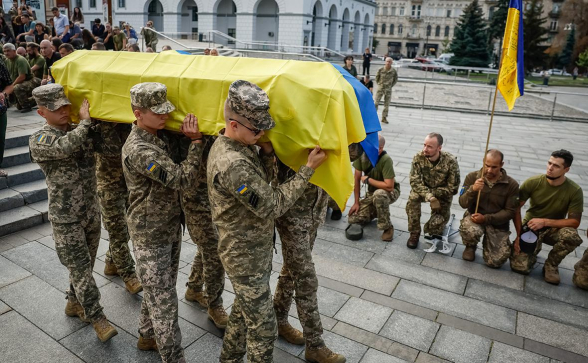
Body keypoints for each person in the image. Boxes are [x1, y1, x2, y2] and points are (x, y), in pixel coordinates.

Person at [207, 80, 326, 363]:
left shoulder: (239, 146)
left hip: (252, 251)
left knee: (240, 313)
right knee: (263, 330)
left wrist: (269, 155)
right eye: (256, 128)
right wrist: (307, 170)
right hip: (243, 256)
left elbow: (262, 181)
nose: (262, 133)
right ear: (233, 124)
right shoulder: (233, 163)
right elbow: (273, 205)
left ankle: (229, 359)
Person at [29, 85, 118, 342]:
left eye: (66, 106)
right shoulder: (40, 139)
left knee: (85, 267)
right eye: (57, 109)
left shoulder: (83, 130)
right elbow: (65, 147)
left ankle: (73, 302)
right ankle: (97, 316)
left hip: (90, 211)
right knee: (80, 269)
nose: (65, 111)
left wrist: (104, 121)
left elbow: (110, 148)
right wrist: (87, 123)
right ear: (41, 112)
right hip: (65, 217)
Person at [122, 82, 203, 362]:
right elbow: (181, 179)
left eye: (165, 110)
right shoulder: (140, 149)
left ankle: (147, 336)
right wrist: (196, 143)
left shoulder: (156, 136)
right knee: (165, 299)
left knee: (159, 288)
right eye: (157, 112)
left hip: (166, 226)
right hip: (150, 233)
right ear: (138, 113)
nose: (165, 116)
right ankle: (173, 356)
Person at [273, 157, 346, 363]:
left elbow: (352, 152)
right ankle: (315, 345)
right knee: (306, 279)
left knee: (291, 270)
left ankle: (278, 318)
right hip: (293, 213)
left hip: (314, 210)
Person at [510, 150, 583, 284]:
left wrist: (545, 222)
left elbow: (574, 222)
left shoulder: (574, 190)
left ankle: (551, 265)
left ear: (566, 169)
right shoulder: (533, 182)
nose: (550, 168)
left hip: (553, 228)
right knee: (520, 268)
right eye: (549, 163)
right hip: (531, 228)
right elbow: (516, 209)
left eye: (556, 166)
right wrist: (518, 235)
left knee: (571, 236)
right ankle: (530, 253)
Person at [95, 117, 142, 295]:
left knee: (127, 229)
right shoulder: (97, 126)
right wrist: (107, 126)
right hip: (108, 186)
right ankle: (129, 274)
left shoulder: (128, 123)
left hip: (128, 182)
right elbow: (113, 149)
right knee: (118, 231)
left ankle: (111, 262)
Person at [458, 150, 519, 267]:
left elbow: (510, 212)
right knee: (470, 230)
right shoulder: (472, 177)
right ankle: (470, 246)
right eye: (487, 165)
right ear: (483, 162)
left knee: (495, 262)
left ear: (501, 165)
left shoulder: (512, 185)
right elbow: (462, 203)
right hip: (475, 217)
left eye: (494, 167)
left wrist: (486, 219)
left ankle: (495, 244)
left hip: (497, 223)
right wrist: (473, 189)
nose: (489, 170)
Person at [406, 133, 460, 249]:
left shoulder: (450, 161)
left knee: (435, 228)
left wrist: (435, 194)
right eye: (424, 145)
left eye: (430, 147)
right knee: (413, 199)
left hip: (442, 194)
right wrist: (429, 196)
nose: (425, 149)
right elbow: (414, 181)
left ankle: (432, 227)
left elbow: (453, 188)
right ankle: (414, 233)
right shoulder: (418, 157)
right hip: (424, 191)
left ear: (439, 148)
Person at [347, 134, 400, 241]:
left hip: (389, 192)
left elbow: (389, 186)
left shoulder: (386, 160)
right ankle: (377, 210)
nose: (368, 149)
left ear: (380, 149)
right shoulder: (362, 156)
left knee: (379, 194)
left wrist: (369, 180)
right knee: (353, 218)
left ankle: (387, 227)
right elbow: (356, 179)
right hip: (372, 194)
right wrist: (356, 202)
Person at [3, 42, 40, 112]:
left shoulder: (20, 60)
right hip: (18, 82)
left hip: (30, 81)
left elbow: (22, 77)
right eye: (4, 51)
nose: (6, 53)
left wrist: (11, 87)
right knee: (18, 106)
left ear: (14, 51)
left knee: (16, 88)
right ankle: (32, 100)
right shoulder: (7, 61)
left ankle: (27, 106)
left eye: (8, 51)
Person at [374, 57, 398, 124]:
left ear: (391, 62)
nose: (388, 63)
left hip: (388, 89)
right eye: (387, 61)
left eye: (389, 61)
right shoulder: (381, 69)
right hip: (380, 88)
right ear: (385, 62)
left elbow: (395, 79)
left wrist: (390, 85)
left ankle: (384, 118)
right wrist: (379, 84)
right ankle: (373, 117)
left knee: (386, 105)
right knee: (376, 103)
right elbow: (377, 78)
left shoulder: (393, 71)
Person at [0, 57, 11, 178]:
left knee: (0, 139)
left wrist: (3, 94)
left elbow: (9, 85)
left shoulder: (0, 65)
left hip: (0, 110)